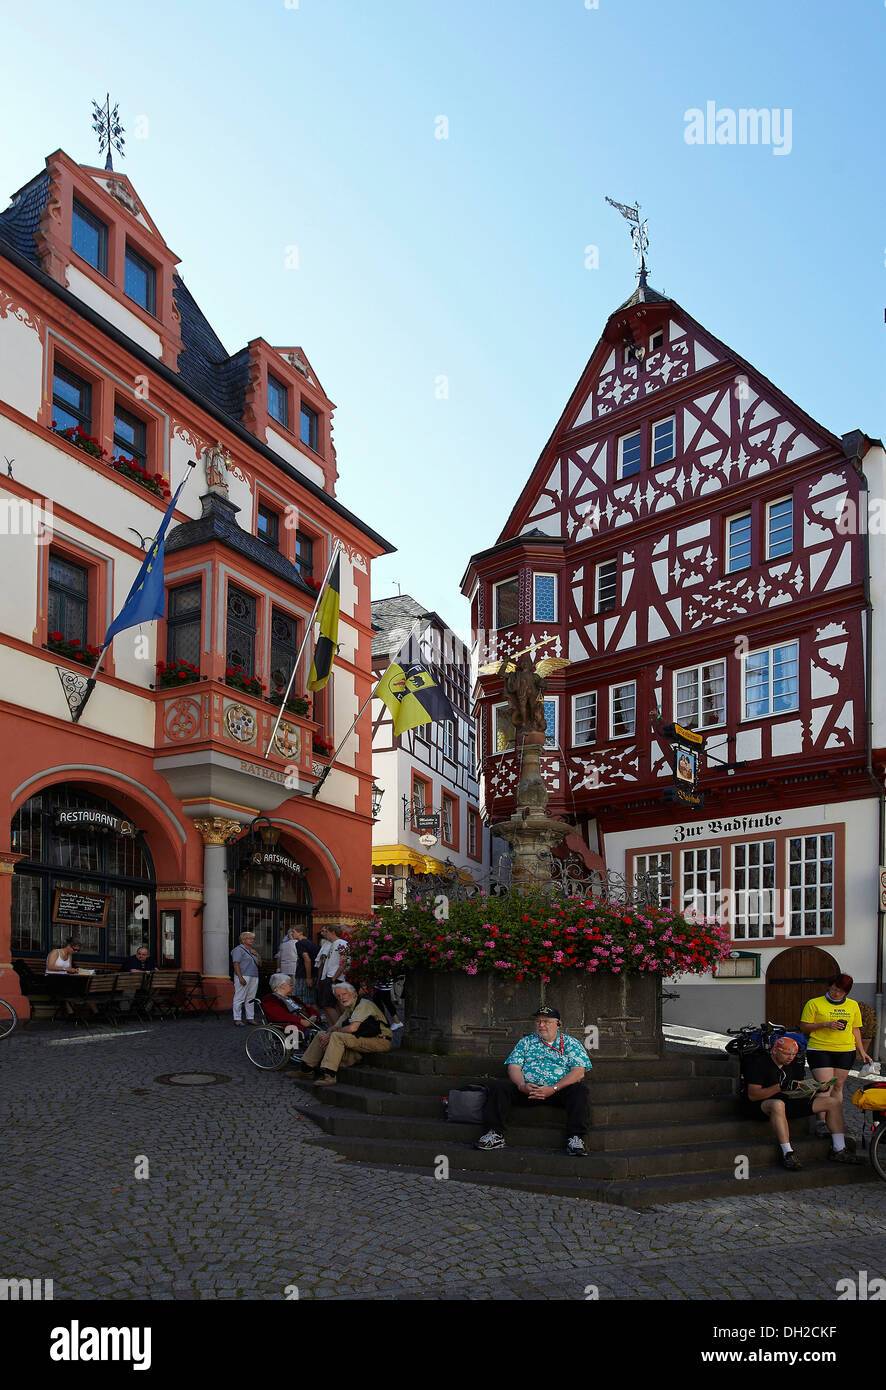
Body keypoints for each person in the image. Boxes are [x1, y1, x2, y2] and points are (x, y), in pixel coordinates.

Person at [474, 1006, 593, 1157]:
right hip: (527, 1090)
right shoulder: (526, 1042)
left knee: (579, 1090)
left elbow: (578, 1071)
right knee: (499, 1086)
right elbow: (514, 1066)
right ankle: (495, 1134)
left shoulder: (571, 1043)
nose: (541, 1025)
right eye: (538, 1021)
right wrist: (522, 1085)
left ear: (558, 1024)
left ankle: (576, 1138)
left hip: (557, 1091)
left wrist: (553, 1088)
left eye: (546, 1021)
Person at [740, 1034, 860, 1168]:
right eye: (786, 1054)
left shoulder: (793, 1064)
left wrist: (817, 1088)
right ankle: (788, 1153)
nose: (790, 1057)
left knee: (833, 1102)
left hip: (789, 1100)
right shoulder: (759, 1064)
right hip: (762, 1104)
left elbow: (797, 1085)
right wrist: (778, 1088)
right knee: (778, 1105)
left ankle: (839, 1149)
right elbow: (753, 1095)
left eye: (793, 1054)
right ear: (775, 1050)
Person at [800, 973, 873, 1109]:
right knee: (825, 1086)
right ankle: (821, 1121)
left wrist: (862, 1051)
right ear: (829, 986)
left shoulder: (852, 1005)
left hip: (845, 1051)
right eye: (834, 989)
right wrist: (825, 1024)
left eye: (841, 991)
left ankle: (835, 1120)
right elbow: (804, 1027)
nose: (836, 993)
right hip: (820, 1049)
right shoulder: (814, 1003)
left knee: (838, 1086)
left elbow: (855, 1029)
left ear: (847, 992)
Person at [297, 982, 392, 1085]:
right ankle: (306, 1070)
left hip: (381, 1040)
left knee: (337, 1036)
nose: (341, 998)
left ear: (353, 994)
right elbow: (335, 1027)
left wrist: (331, 1034)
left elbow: (352, 1028)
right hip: (361, 1037)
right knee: (321, 1034)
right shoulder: (350, 1008)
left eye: (344, 994)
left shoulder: (364, 1004)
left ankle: (330, 1075)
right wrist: (327, 1034)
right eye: (338, 996)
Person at [316, 925, 351, 1024]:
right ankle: (333, 1027)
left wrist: (333, 978)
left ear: (333, 932)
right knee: (330, 1005)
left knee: (329, 1005)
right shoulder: (329, 944)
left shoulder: (342, 943)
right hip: (327, 977)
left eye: (326, 931)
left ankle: (337, 1027)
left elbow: (344, 962)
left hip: (334, 978)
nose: (324, 934)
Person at [231, 931, 261, 1027]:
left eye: (253, 938)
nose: (252, 940)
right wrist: (240, 977)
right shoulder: (238, 950)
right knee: (239, 997)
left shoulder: (252, 951)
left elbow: (260, 964)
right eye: (250, 938)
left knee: (251, 998)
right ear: (243, 940)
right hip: (243, 975)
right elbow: (236, 964)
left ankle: (250, 1018)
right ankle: (237, 1018)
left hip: (254, 975)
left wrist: (257, 955)